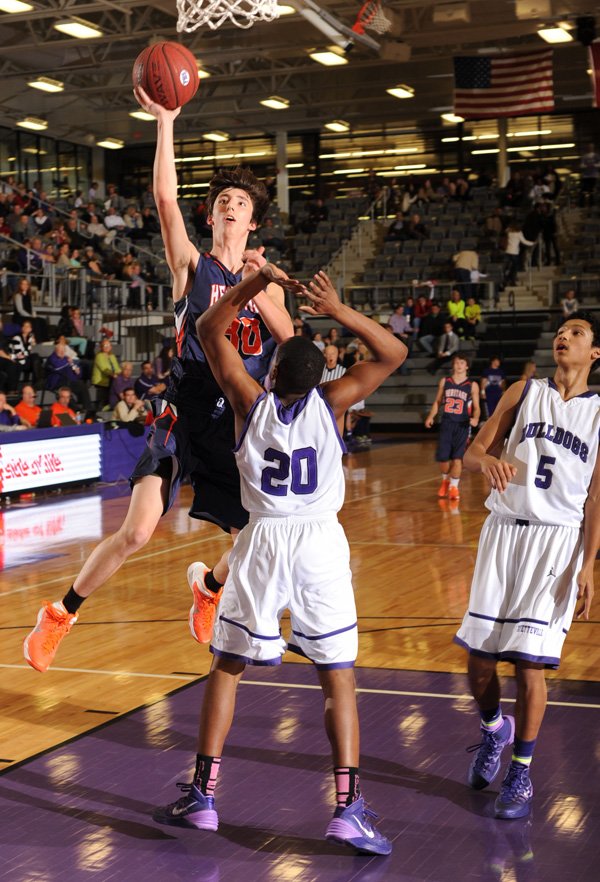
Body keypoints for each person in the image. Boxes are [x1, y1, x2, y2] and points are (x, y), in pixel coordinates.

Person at [23, 84, 293, 674]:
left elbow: (292, 345)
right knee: (139, 532)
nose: (229, 205)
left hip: (237, 423)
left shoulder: (267, 283)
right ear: (212, 212)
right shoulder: (191, 265)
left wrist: (262, 279)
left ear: (253, 220)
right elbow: (165, 200)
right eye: (222, 198)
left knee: (261, 533)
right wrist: (167, 121)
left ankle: (211, 588)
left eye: (240, 202)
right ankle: (61, 613)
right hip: (182, 410)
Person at [152, 265, 406, 854]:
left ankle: (203, 797)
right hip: (319, 542)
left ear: (270, 371)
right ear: (322, 381)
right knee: (335, 675)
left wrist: (254, 283)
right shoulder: (335, 402)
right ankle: (347, 809)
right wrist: (338, 309)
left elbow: (211, 328)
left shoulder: (248, 401)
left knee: (228, 666)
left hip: (261, 540)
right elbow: (393, 352)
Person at [454, 312, 600, 820]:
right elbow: (474, 452)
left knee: (529, 662)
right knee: (478, 660)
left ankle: (520, 771)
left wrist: (589, 564)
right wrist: (486, 461)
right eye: (562, 331)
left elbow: (597, 497)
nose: (565, 337)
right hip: (503, 533)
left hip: (558, 542)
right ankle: (494, 729)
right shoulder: (523, 391)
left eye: (577, 333)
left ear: (594, 354)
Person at [424, 354, 480, 501]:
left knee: (457, 458)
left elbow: (477, 407)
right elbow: (437, 401)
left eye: (462, 363)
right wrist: (431, 416)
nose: (459, 365)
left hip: (462, 424)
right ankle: (445, 480)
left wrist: (476, 418)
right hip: (447, 422)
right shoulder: (445, 381)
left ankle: (454, 487)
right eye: (457, 363)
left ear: (467, 366)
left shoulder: (472, 385)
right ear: (453, 365)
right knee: (443, 459)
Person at [91, 338, 121, 409]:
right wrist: (113, 375)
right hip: (101, 381)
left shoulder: (112, 356)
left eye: (108, 345)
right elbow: (104, 369)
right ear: (101, 347)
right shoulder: (99, 356)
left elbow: (117, 368)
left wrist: (119, 373)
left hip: (112, 378)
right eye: (105, 345)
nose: (107, 347)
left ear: (111, 347)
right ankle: (109, 405)